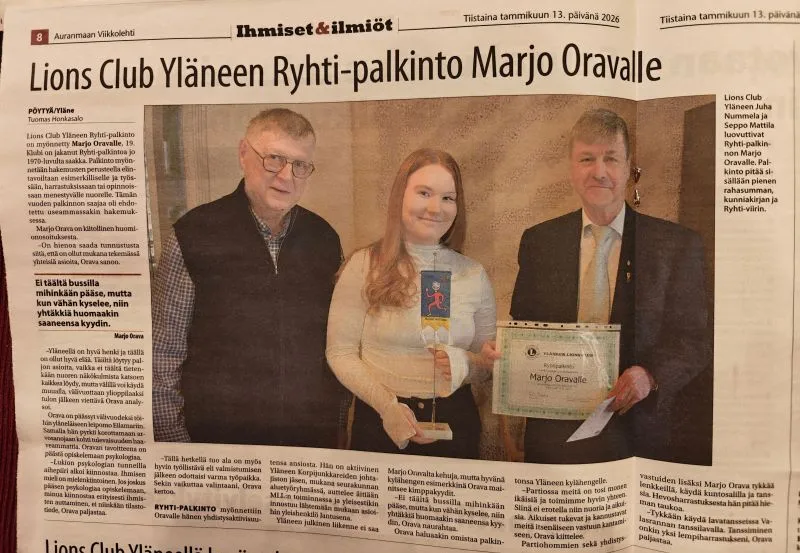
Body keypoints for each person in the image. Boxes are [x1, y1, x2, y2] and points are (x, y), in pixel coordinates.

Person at [511, 109, 711, 463]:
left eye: (611, 158)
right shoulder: (538, 241)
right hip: (554, 436)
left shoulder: (677, 246)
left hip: (640, 435)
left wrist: (651, 375)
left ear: (629, 167)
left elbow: (695, 341)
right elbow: (523, 330)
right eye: (587, 159)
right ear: (571, 168)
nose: (599, 172)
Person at [152, 108, 345, 447]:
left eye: (300, 165)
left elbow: (338, 348)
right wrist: (176, 446)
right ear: (244, 154)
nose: (286, 176)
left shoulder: (325, 239)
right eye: (274, 159)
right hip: (219, 446)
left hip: (310, 445)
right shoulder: (192, 235)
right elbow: (164, 354)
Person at [326, 149, 499, 459]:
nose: (435, 208)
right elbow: (340, 353)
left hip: (456, 425)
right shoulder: (363, 265)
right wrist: (387, 407)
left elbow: (485, 365)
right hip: (380, 422)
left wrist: (467, 364)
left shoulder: (474, 274)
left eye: (448, 198)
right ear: (400, 197)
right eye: (424, 193)